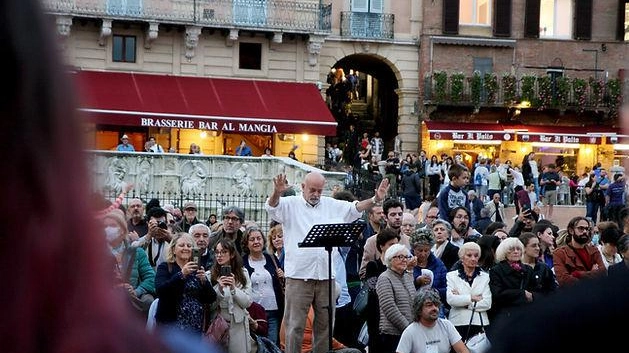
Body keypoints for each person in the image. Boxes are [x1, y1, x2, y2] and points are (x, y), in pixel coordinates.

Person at [265, 172, 389, 353]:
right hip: (299, 275)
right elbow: (272, 207)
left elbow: (354, 208)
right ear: (302, 187)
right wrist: (276, 192)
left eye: (319, 190)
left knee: (325, 326)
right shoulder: (290, 204)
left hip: (326, 275)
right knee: (295, 326)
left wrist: (375, 199)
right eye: (312, 190)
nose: (315, 194)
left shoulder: (330, 204)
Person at [155, 233, 217, 336]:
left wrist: (204, 281)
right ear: (174, 249)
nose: (186, 248)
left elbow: (211, 298)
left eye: (189, 246)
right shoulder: (166, 267)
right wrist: (182, 274)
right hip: (171, 327)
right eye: (182, 245)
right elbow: (160, 291)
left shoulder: (196, 269)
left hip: (194, 328)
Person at [104, 209, 156, 317]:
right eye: (105, 226)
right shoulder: (95, 253)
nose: (108, 229)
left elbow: (150, 277)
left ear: (122, 230)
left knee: (148, 301)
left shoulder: (137, 252)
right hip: (106, 298)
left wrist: (136, 291)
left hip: (132, 300)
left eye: (112, 225)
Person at [242, 226, 285, 345]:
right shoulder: (242, 261)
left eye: (259, 238)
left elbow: (280, 281)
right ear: (246, 243)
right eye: (252, 239)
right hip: (253, 312)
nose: (256, 242)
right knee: (254, 345)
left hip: (273, 310)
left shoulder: (272, 258)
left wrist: (282, 275)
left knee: (272, 344)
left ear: (263, 241)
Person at [209, 238, 253, 353]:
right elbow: (209, 305)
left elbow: (247, 302)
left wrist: (234, 288)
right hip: (217, 325)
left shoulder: (243, 273)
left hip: (237, 324)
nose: (219, 255)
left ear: (232, 254)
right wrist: (219, 289)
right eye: (217, 252)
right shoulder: (210, 275)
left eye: (223, 252)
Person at [396, 288, 469, 353]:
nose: (434, 308)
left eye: (436, 305)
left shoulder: (447, 325)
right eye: (429, 305)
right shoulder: (410, 332)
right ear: (419, 309)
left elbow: (462, 351)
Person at [363, 228, 400, 353]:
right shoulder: (373, 265)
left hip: (395, 316)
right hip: (377, 316)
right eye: (391, 244)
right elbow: (373, 290)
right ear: (381, 246)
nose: (395, 247)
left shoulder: (400, 268)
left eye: (396, 244)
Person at [446, 242, 492, 340]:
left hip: (479, 323)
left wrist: (464, 302)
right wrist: (472, 297)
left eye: (476, 256)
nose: (473, 259)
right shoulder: (451, 276)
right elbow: (451, 300)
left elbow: (487, 303)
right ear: (462, 257)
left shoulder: (485, 277)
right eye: (469, 255)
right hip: (457, 322)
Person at [488, 238, 537, 330]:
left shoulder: (528, 270)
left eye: (518, 249)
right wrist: (522, 294)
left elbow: (537, 291)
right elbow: (497, 294)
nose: (516, 252)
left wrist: (532, 296)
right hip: (505, 316)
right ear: (504, 252)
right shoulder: (496, 270)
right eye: (511, 249)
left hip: (526, 315)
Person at [376, 244, 416, 353]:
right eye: (399, 257)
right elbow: (389, 308)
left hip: (410, 332)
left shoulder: (407, 277)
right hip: (392, 335)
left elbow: (415, 302)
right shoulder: (384, 278)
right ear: (390, 259)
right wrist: (408, 329)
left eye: (406, 257)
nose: (404, 260)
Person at [552, 216, 606, 287]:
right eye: (581, 228)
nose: (585, 231)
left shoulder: (594, 251)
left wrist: (577, 274)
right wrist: (592, 273)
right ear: (571, 231)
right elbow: (564, 280)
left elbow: (603, 273)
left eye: (587, 229)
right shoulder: (560, 253)